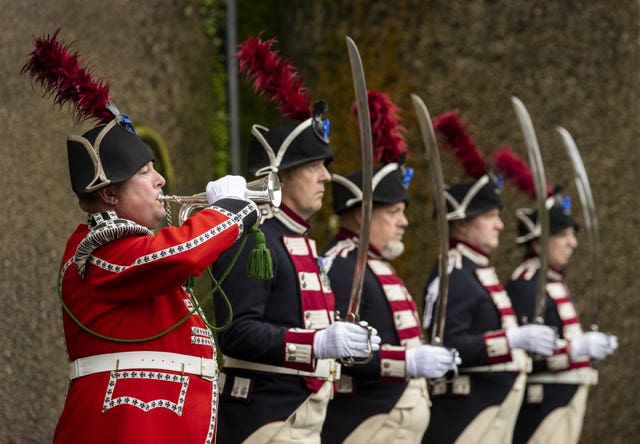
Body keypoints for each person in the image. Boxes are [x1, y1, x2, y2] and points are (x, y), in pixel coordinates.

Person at [23, 30, 259, 443]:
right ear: (111, 193)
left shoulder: (134, 249)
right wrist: (227, 213)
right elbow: (181, 255)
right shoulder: (97, 249)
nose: (161, 179)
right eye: (145, 172)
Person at [211, 36, 380, 443]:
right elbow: (237, 333)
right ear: (279, 176)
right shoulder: (253, 236)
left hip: (304, 415)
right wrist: (319, 341)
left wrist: (344, 338)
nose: (326, 177)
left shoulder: (300, 239)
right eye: (314, 167)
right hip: (265, 419)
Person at [320, 91, 459, 444]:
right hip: (365, 422)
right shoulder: (340, 265)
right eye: (394, 212)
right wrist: (408, 362)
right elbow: (338, 354)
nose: (404, 222)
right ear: (360, 213)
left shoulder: (374, 264)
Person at [421, 112, 557, 444]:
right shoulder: (455, 273)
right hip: (466, 416)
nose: (499, 225)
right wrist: (510, 342)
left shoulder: (477, 272)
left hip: (492, 412)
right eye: (491, 216)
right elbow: (447, 345)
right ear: (462, 223)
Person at [505, 187, 617, 443]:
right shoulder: (526, 283)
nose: (572, 243)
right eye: (563, 234)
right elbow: (526, 356)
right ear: (539, 240)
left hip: (563, 398)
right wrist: (574, 349)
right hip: (541, 404)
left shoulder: (551, 281)